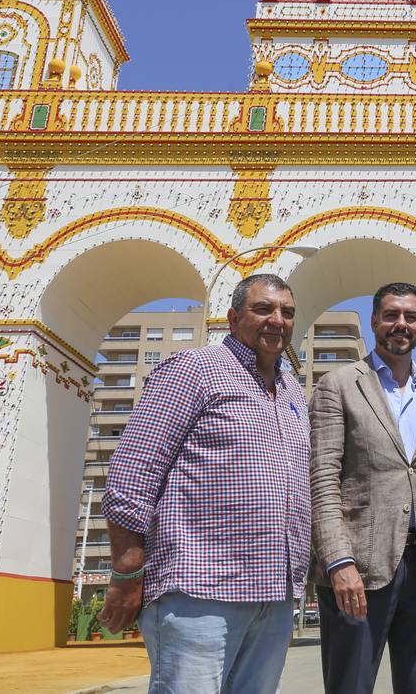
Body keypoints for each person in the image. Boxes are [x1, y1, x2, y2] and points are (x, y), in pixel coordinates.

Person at [99, 273, 309, 694]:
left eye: (286, 312)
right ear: (233, 318)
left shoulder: (292, 391)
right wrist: (127, 572)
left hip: (274, 592)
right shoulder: (194, 370)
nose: (277, 320)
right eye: (263, 309)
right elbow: (132, 474)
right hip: (202, 589)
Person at [310, 281, 416, 694]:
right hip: (358, 572)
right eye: (391, 316)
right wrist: (338, 561)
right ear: (374, 322)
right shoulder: (339, 385)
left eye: (410, 316)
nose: (400, 324)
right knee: (350, 686)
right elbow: (322, 479)